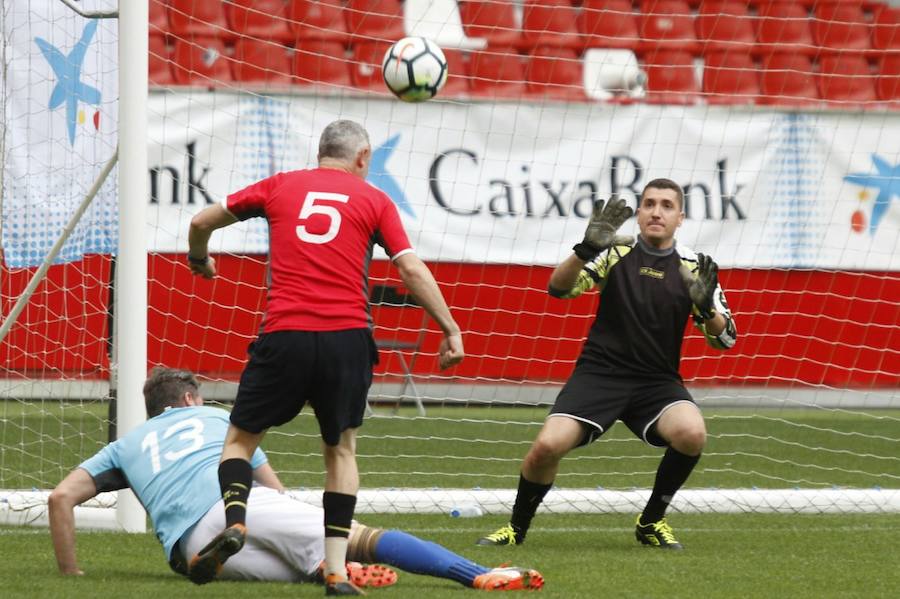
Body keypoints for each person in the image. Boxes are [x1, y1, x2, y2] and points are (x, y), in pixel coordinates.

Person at [185, 120, 464, 593]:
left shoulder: (281, 186)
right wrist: (450, 328)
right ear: (362, 157)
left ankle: (236, 521)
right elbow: (410, 267)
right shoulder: (375, 200)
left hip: (285, 333)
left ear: (321, 153)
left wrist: (199, 258)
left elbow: (199, 222)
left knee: (239, 442)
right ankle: (335, 569)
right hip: (347, 338)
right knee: (340, 450)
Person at [49, 367, 543, 592]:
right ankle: (476, 574)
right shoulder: (218, 418)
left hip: (184, 546)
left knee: (307, 570)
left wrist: (71, 574)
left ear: (153, 410)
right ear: (190, 401)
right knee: (355, 538)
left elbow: (60, 498)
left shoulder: (127, 445)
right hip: (236, 509)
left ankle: (212, 563)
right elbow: (271, 489)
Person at [477, 179, 737, 550]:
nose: (656, 212)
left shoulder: (695, 266)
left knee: (692, 433)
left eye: (666, 205)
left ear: (680, 217)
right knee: (546, 447)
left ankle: (651, 522)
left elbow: (725, 339)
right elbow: (559, 288)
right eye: (648, 204)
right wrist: (585, 250)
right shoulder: (616, 251)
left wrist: (707, 309)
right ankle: (516, 528)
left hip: (656, 382)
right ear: (639, 212)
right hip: (599, 375)